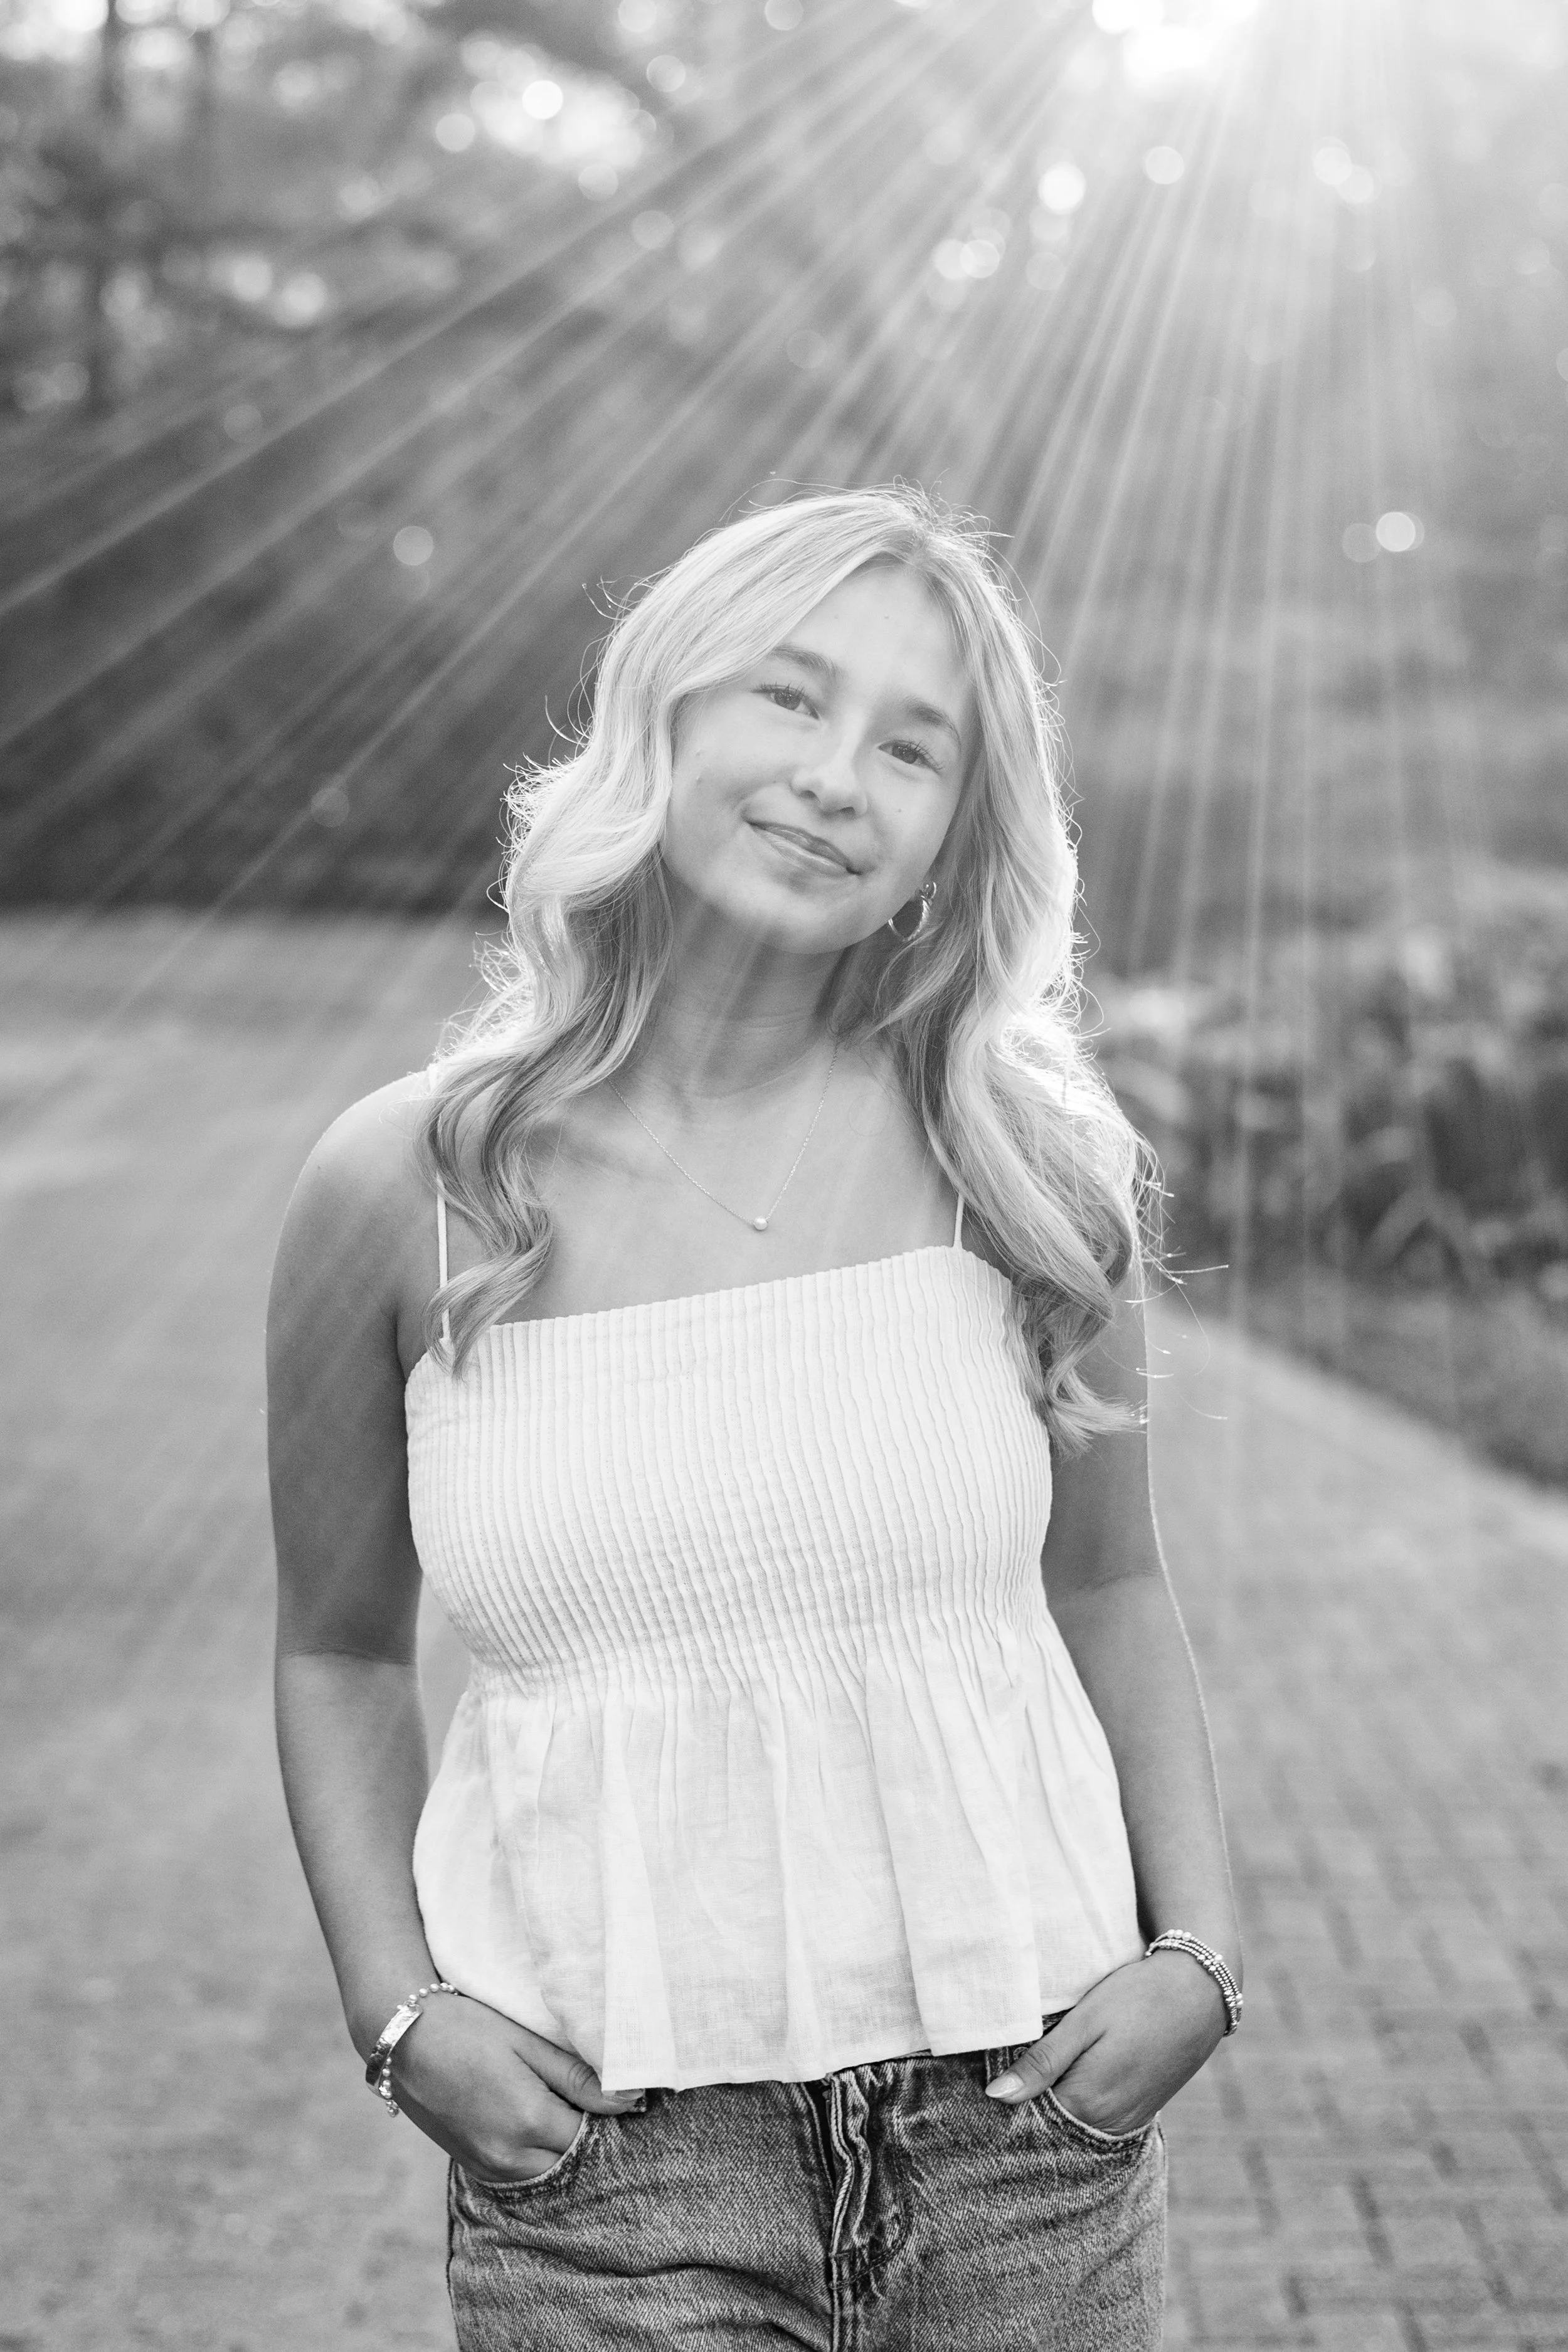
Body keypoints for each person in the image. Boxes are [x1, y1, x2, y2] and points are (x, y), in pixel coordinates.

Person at [267, 484, 1241, 2350]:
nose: (832, 775)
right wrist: (398, 2016)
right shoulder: (402, 1184)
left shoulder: (1025, 1164)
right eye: (789, 698)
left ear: (955, 831)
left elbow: (1113, 1589)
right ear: (670, 713)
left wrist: (1196, 1948)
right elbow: (330, 1647)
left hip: (1024, 2129)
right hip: (608, 2169)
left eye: (909, 744)